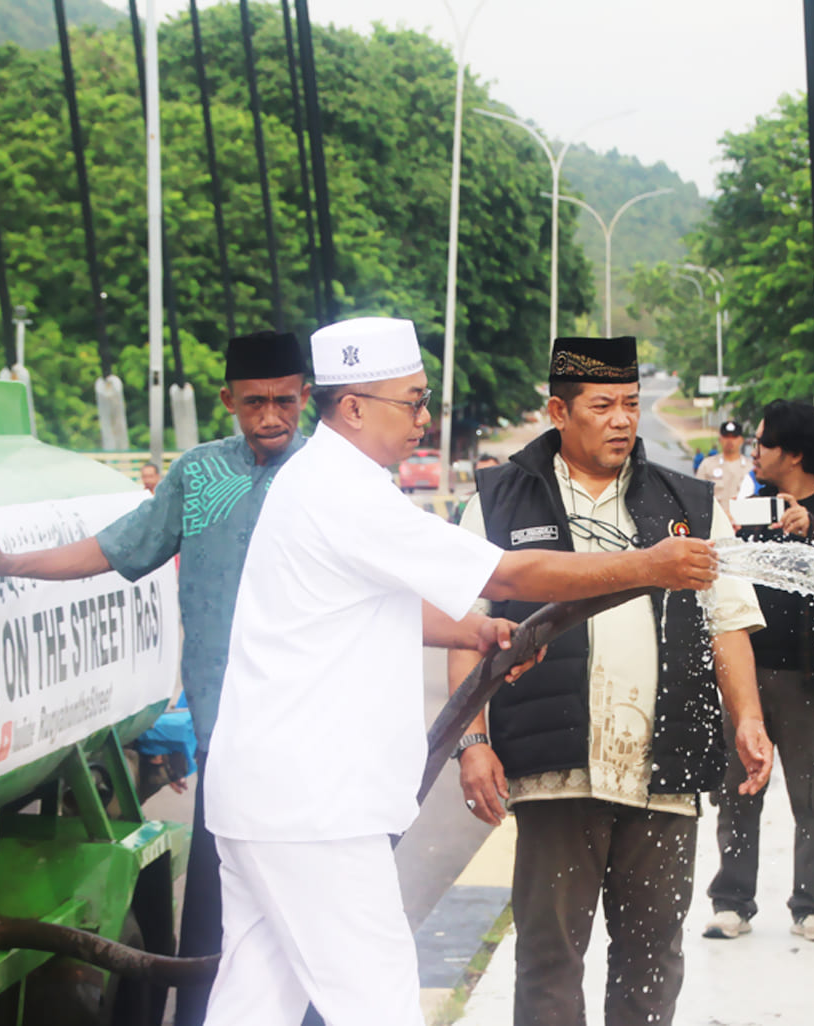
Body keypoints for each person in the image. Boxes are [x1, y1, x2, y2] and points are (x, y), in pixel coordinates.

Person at [200, 318, 723, 1026]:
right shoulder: (344, 491)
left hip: (270, 800)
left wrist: (476, 629)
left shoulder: (318, 482)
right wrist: (645, 565)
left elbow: (367, 605)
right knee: (379, 1006)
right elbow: (507, 572)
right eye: (412, 401)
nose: (424, 419)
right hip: (314, 808)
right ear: (353, 407)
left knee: (254, 1004)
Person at [0, 329, 312, 1026]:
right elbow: (118, 547)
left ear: (307, 397)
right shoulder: (199, 477)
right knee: (216, 931)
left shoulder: (331, 479)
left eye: (285, 402)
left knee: (318, 933)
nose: (271, 417)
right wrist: (12, 563)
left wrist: (475, 630)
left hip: (314, 746)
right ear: (228, 400)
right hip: (229, 744)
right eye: (255, 403)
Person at [451, 336, 774, 1026]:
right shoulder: (500, 501)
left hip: (665, 768)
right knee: (549, 960)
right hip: (555, 771)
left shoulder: (688, 503)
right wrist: (473, 741)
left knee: (652, 960)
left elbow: (727, 621)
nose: (623, 420)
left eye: (630, 403)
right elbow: (466, 624)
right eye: (602, 406)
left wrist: (748, 717)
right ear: (558, 412)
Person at [702, 399, 814, 944]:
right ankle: (731, 902)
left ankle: (812, 906)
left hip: (812, 680)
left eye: (765, 443)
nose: (755, 452)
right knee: (737, 790)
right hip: (746, 678)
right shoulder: (751, 509)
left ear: (794, 454)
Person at [696, 420, 752, 504]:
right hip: (715, 512)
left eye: (734, 437)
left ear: (741, 440)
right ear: (720, 439)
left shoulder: (750, 468)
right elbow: (697, 495)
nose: (730, 440)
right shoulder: (707, 465)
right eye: (726, 436)